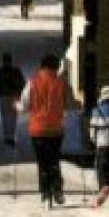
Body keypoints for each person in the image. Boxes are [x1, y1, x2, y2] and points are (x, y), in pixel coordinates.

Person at [19, 52, 72, 207]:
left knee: (42, 161)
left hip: (37, 129)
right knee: (54, 159)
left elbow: (24, 105)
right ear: (56, 67)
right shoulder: (62, 83)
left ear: (41, 66)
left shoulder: (32, 82)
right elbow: (70, 104)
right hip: (56, 129)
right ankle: (57, 189)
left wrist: (17, 107)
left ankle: (44, 192)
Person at [0, 52, 26, 147]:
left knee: (5, 118)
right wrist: (20, 93)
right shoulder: (16, 71)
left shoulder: (0, 71)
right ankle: (11, 137)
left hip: (4, 97)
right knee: (13, 117)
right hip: (14, 96)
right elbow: (22, 83)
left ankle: (7, 137)